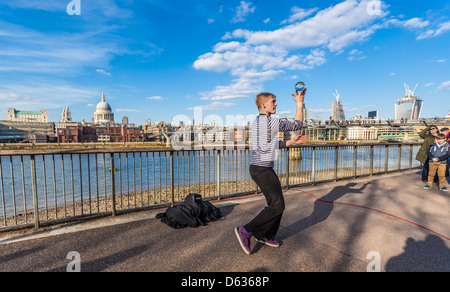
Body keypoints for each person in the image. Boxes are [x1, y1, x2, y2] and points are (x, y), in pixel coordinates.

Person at [235, 89, 310, 255]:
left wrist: (291, 141)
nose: (276, 104)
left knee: (275, 205)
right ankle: (246, 230)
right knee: (277, 205)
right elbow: (297, 124)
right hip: (262, 170)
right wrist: (299, 104)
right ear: (264, 105)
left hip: (260, 168)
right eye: (273, 102)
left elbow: (271, 144)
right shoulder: (272, 122)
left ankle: (266, 235)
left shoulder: (256, 123)